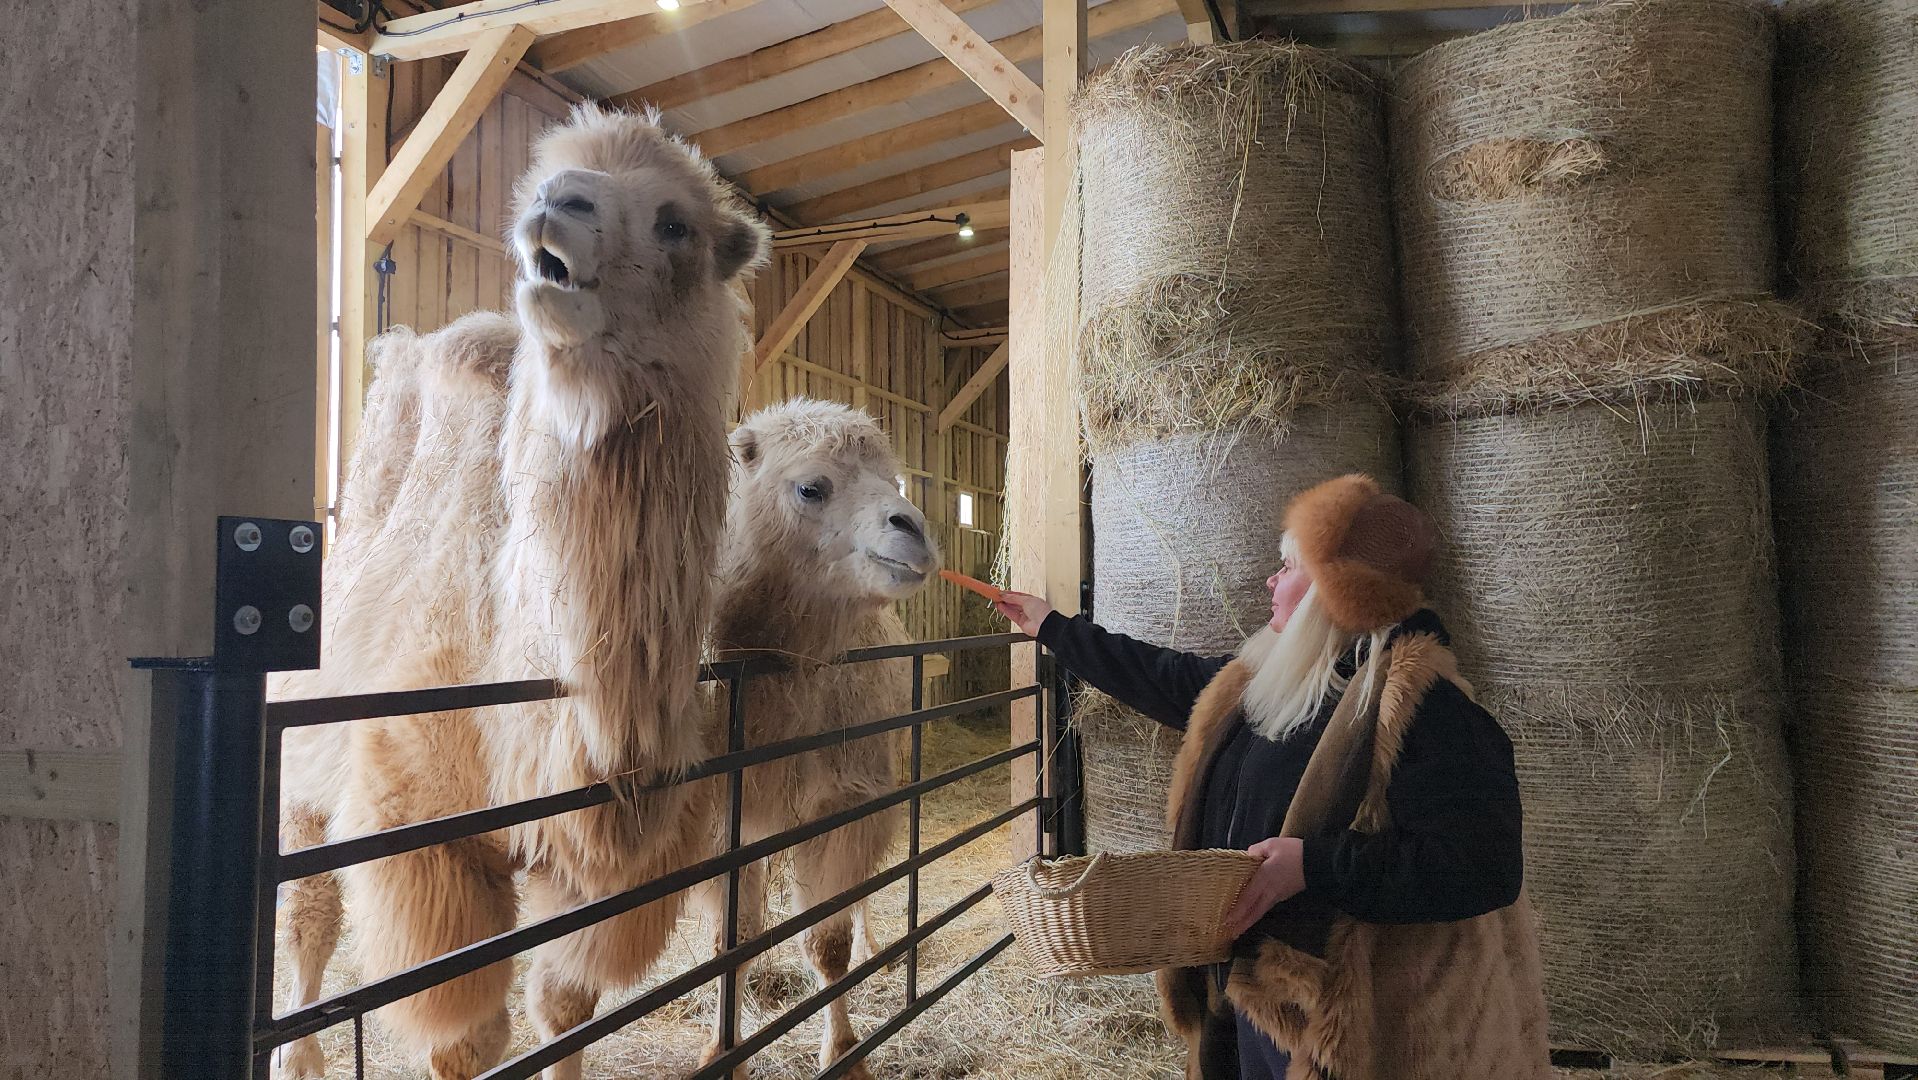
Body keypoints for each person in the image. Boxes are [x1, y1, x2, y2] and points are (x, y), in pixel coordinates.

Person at [994, 474, 1550, 1080]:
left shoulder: (1426, 710)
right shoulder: (1275, 686)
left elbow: (1483, 866)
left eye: (1287, 567)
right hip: (1244, 983)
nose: (1270, 581)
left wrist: (1312, 866)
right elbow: (1164, 676)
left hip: (1339, 1014)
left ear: (1331, 590)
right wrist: (1052, 627)